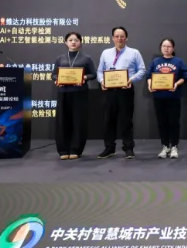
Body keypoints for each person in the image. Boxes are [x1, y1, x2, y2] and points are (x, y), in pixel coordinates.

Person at [96, 26, 146, 159]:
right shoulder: (105, 53)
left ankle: (128, 148)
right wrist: (102, 81)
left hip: (126, 90)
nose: (119, 39)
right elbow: (100, 71)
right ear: (113, 38)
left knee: (126, 120)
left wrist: (131, 79)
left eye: (122, 36)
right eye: (117, 36)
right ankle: (109, 148)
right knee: (108, 120)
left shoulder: (134, 52)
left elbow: (142, 70)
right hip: (109, 91)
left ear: (126, 38)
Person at [52, 32, 97, 160]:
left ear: (80, 42)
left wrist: (84, 77)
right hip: (63, 93)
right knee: (62, 121)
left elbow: (93, 74)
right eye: (70, 40)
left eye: (76, 40)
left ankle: (75, 149)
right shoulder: (60, 58)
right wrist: (56, 79)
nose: (73, 42)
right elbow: (53, 74)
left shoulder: (86, 58)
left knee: (78, 121)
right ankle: (63, 150)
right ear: (66, 42)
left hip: (79, 93)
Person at [147, 38, 187, 159]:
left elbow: (185, 76)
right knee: (162, 122)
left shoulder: (178, 61)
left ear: (173, 48)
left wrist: (176, 84)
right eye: (164, 46)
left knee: (174, 122)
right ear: (161, 47)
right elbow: (149, 75)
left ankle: (174, 146)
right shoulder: (156, 61)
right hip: (159, 97)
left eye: (169, 46)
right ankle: (165, 146)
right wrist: (150, 84)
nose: (166, 48)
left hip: (173, 97)